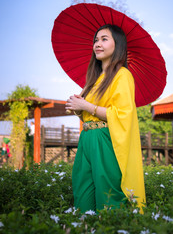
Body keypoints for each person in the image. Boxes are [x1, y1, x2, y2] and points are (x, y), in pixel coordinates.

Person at [65, 24, 146, 213]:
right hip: (86, 140)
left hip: (106, 140)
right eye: (95, 40)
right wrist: (78, 107)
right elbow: (90, 114)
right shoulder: (94, 79)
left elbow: (122, 114)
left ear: (117, 45)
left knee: (108, 195)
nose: (97, 44)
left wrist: (86, 105)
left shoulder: (122, 75)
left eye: (104, 39)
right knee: (83, 193)